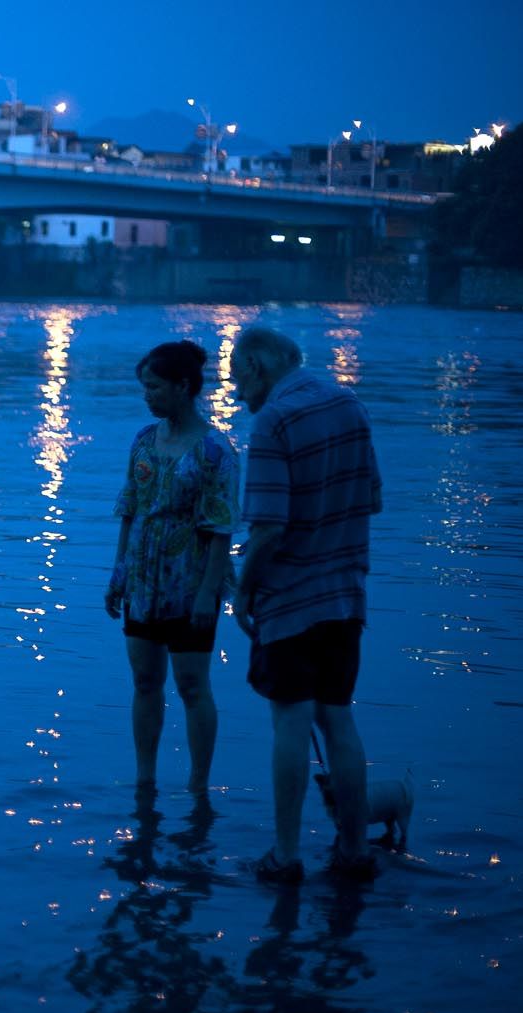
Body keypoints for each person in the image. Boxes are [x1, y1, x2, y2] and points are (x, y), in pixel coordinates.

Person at [230, 326, 383, 883]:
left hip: (292, 599)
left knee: (291, 723)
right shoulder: (350, 404)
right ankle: (353, 849)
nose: (238, 396)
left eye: (237, 380)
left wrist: (244, 592)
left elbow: (268, 528)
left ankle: (286, 855)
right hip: (345, 596)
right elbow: (373, 498)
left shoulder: (274, 421)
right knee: (339, 720)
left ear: (257, 366)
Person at [106, 340, 239, 794]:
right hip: (143, 579)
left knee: (191, 684)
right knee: (145, 680)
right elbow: (129, 508)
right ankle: (145, 780)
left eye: (155, 387)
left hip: (190, 580)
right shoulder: (143, 440)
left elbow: (221, 527)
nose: (148, 396)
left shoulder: (215, 450)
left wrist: (208, 592)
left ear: (184, 387)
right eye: (145, 387)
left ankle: (198, 786)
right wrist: (118, 572)